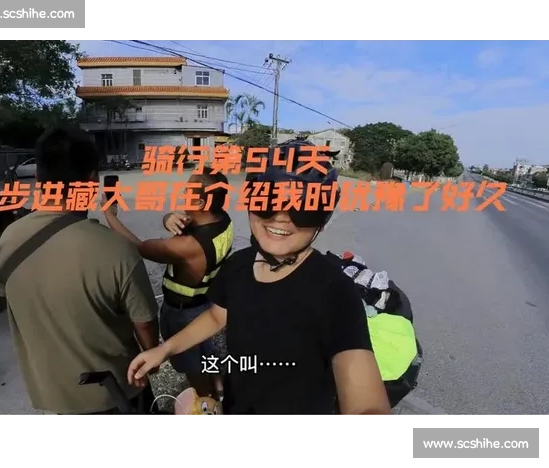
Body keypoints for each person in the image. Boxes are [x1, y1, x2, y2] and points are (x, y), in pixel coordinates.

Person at [127, 139, 392, 415]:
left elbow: (367, 404)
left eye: (304, 207)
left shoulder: (335, 291)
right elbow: (217, 316)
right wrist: (165, 349)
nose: (281, 217)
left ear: (322, 218)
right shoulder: (238, 266)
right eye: (268, 200)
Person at [0, 126, 160, 415]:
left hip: (52, 397)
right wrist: (151, 361)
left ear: (39, 178)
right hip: (117, 396)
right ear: (92, 181)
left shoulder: (7, 242)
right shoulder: (117, 252)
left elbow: (9, 296)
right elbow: (146, 329)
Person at [104, 166, 233, 399]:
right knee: (206, 350)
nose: (183, 193)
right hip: (203, 303)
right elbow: (183, 220)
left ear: (201, 203)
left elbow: (138, 247)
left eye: (188, 191)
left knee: (191, 364)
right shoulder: (222, 219)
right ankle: (219, 386)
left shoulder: (187, 246)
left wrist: (110, 215)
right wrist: (168, 219)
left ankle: (207, 401)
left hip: (181, 312)